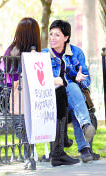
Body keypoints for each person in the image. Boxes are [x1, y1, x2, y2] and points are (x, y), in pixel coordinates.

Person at [1, 17, 79, 167]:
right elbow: (16, 80)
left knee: (61, 92)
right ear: (32, 34)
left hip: (31, 95)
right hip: (20, 98)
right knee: (60, 95)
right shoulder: (16, 52)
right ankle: (59, 149)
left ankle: (59, 148)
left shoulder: (20, 50)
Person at [42, 19, 98, 163]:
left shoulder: (76, 52)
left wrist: (79, 78)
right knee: (71, 89)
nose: (52, 38)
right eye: (51, 34)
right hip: (53, 99)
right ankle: (84, 144)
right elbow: (39, 80)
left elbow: (87, 80)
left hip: (73, 99)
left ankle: (85, 135)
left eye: (57, 35)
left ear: (66, 37)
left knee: (73, 89)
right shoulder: (43, 55)